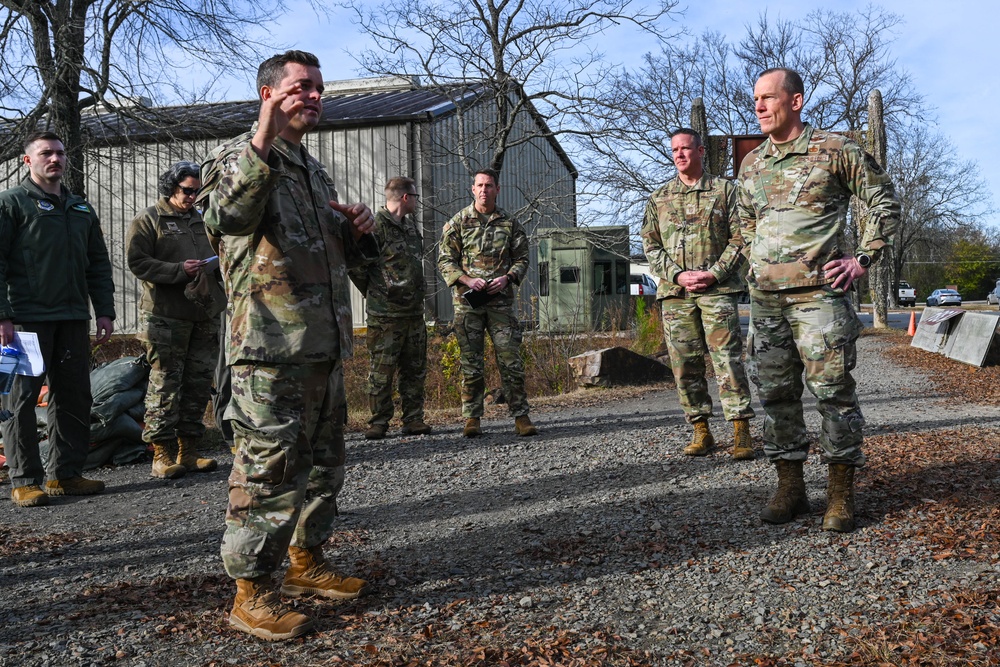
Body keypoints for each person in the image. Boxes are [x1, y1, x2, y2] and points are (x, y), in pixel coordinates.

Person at [201, 50, 378, 641]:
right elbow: (227, 216)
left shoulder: (313, 171)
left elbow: (350, 265)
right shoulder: (237, 156)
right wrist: (261, 136)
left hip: (323, 347)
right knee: (267, 473)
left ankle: (306, 564)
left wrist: (357, 228)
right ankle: (250, 594)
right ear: (268, 93)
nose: (314, 96)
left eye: (319, 88)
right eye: (301, 87)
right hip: (268, 349)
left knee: (324, 468)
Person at [737, 68, 900, 532]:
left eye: (768, 98)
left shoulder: (836, 150)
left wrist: (862, 259)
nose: (760, 107)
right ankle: (790, 488)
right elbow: (748, 221)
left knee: (832, 393)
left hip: (820, 299)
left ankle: (839, 493)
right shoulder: (752, 164)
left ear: (797, 101)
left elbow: (883, 201)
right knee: (775, 396)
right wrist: (756, 263)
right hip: (766, 302)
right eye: (755, 100)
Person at [0, 131, 115, 508]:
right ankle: (24, 479)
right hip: (25, 321)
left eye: (60, 153)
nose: (55, 159)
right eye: (46, 153)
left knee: (74, 396)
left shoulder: (80, 208)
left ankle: (65, 474)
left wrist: (105, 310)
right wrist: (2, 316)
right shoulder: (12, 204)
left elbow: (97, 262)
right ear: (26, 161)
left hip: (71, 318)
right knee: (22, 400)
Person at [641, 128, 755, 460]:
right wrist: (677, 274)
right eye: (674, 149)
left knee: (727, 361)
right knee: (684, 365)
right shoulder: (659, 197)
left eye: (685, 148)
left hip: (716, 290)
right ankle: (701, 430)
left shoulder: (725, 191)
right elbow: (650, 245)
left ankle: (740, 430)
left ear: (701, 151)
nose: (679, 154)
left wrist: (714, 273)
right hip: (676, 293)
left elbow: (741, 237)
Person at [126, 161, 221, 480]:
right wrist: (179, 271)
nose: (193, 196)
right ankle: (162, 454)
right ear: (171, 188)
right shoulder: (149, 219)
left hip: (203, 312)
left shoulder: (201, 220)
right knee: (166, 382)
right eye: (187, 190)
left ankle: (189, 450)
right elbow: (137, 262)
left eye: (197, 191)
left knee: (198, 382)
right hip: (165, 314)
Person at [437, 168, 537, 438]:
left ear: (497, 189)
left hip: (501, 304)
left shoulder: (509, 223)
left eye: (489, 185)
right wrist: (467, 280)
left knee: (510, 359)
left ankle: (521, 416)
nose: (484, 190)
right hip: (468, 303)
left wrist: (508, 278)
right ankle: (472, 418)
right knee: (471, 362)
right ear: (473, 189)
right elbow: (445, 260)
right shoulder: (458, 222)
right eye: (479, 185)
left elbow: (522, 258)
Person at [349, 177, 430, 440]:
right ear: (406, 197)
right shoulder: (376, 228)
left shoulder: (409, 229)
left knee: (414, 369)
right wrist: (379, 294)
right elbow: (358, 268)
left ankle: (414, 419)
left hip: (414, 314)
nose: (417, 201)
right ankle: (379, 422)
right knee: (381, 371)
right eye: (415, 196)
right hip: (385, 316)